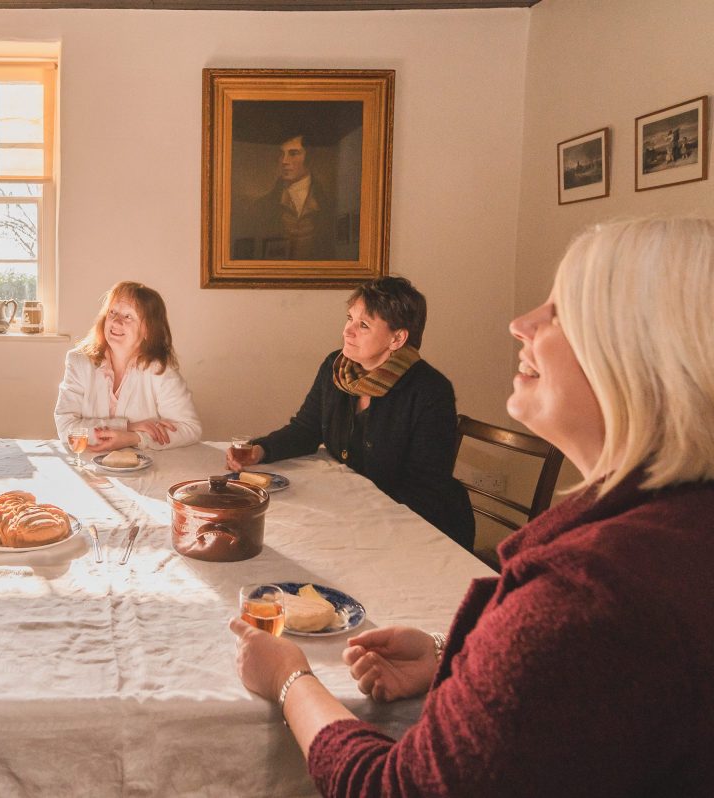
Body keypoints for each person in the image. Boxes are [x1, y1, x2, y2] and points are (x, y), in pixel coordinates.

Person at [230, 217, 714, 796]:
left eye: (563, 310)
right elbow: (575, 689)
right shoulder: (674, 526)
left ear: (645, 357)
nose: (520, 323)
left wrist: (290, 679)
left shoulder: (587, 590)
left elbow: (398, 787)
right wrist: (447, 654)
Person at [227, 276, 474, 548]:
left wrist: (352, 509)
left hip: (421, 530)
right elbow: (306, 429)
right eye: (349, 318)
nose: (347, 331)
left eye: (364, 325)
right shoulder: (336, 366)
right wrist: (260, 450)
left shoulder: (430, 390)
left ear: (397, 338)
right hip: (359, 516)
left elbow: (423, 488)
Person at [54, 281, 201, 452]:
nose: (116, 322)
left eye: (128, 316)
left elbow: (190, 428)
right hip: (88, 466)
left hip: (145, 472)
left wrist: (134, 438)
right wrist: (128, 427)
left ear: (148, 330)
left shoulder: (160, 371)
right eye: (112, 313)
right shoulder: (78, 361)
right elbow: (65, 426)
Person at [231, 131, 338, 261]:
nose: (284, 161)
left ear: (309, 157)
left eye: (293, 153)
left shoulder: (331, 204)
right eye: (282, 154)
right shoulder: (261, 206)